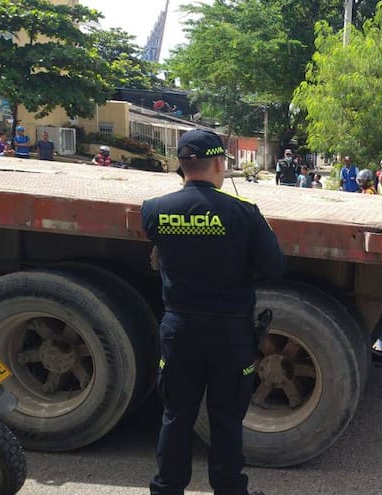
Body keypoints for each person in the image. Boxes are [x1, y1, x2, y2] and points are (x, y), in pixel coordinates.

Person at [142, 128, 285, 495]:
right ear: (219, 164)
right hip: (229, 334)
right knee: (225, 418)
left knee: (176, 416)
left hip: (180, 329)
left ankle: (167, 488)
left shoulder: (155, 210)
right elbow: (274, 268)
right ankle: (229, 489)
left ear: (181, 166)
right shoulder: (244, 213)